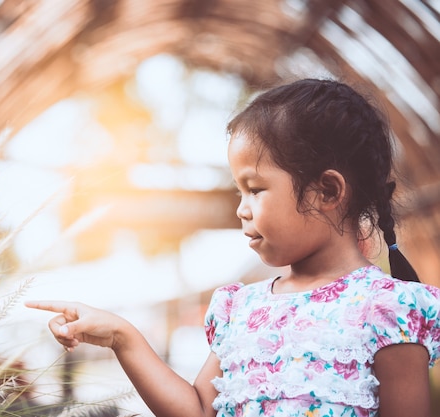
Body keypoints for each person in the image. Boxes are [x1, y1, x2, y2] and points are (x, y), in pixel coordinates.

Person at [25, 78, 440, 417]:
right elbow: (200, 411)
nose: (241, 210)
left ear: (326, 191)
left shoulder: (388, 310)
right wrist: (122, 336)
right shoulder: (241, 308)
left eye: (255, 189)